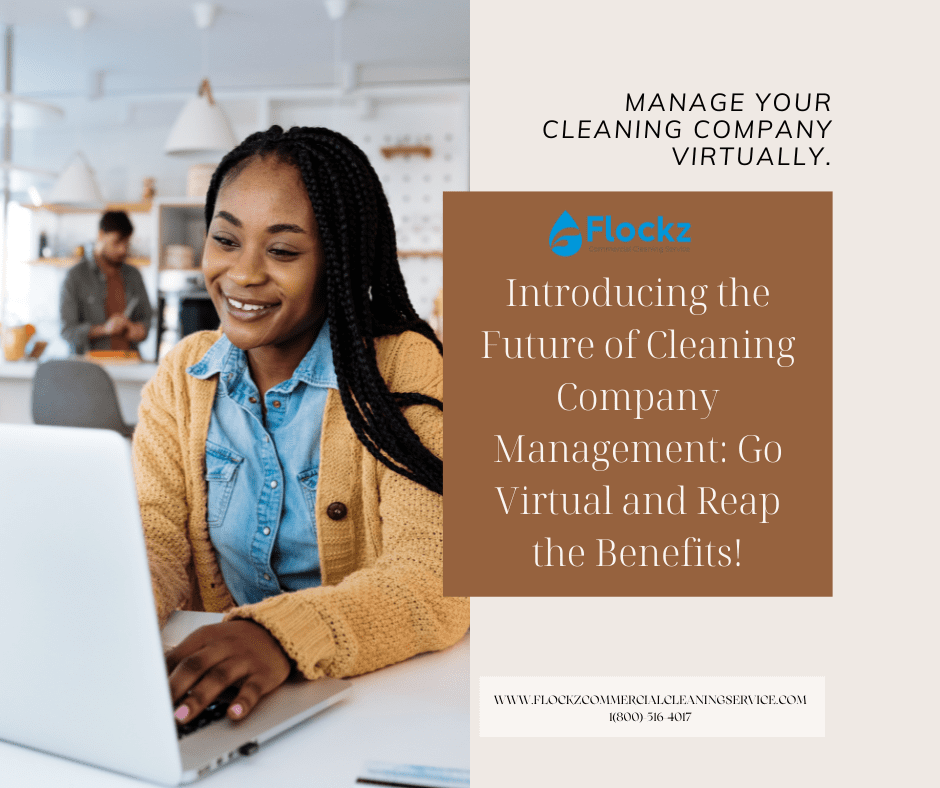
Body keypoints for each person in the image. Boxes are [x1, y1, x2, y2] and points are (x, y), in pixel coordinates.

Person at [132, 125, 464, 726]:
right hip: (220, 694)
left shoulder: (404, 367)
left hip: (370, 697)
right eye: (225, 240)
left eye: (282, 251)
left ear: (339, 262)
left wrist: (276, 637)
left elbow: (436, 574)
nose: (243, 274)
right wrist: (106, 611)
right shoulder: (184, 374)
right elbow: (155, 539)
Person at [59, 210, 153, 355]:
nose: (122, 249)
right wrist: (105, 329)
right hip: (89, 368)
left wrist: (135, 329)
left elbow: (146, 323)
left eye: (126, 243)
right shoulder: (75, 276)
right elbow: (67, 331)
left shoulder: (134, 275)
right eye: (116, 242)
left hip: (130, 365)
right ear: (101, 235)